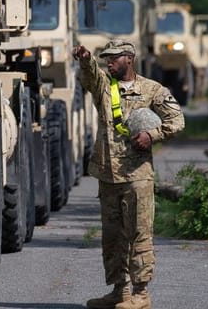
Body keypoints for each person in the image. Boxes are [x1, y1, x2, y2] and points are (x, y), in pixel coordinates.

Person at [73, 40, 185, 309]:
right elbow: (89, 76)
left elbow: (177, 121)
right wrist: (86, 59)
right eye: (106, 58)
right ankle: (119, 291)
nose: (108, 62)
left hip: (137, 176)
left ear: (129, 59)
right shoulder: (104, 86)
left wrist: (152, 135)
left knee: (139, 234)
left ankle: (141, 293)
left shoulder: (152, 89)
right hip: (108, 175)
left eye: (114, 58)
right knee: (113, 237)